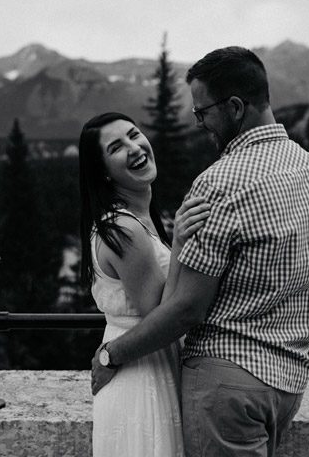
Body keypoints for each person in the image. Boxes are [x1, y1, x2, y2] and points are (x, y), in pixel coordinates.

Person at [91, 47, 309, 456]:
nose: (200, 122)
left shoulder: (219, 184)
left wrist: (111, 354)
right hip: (290, 381)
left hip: (227, 386)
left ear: (235, 108)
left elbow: (187, 308)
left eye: (202, 112)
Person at [79, 112, 212, 457]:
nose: (134, 147)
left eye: (134, 135)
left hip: (147, 362)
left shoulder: (137, 221)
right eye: (117, 147)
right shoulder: (125, 229)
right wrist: (181, 242)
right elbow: (160, 313)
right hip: (141, 374)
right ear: (104, 172)